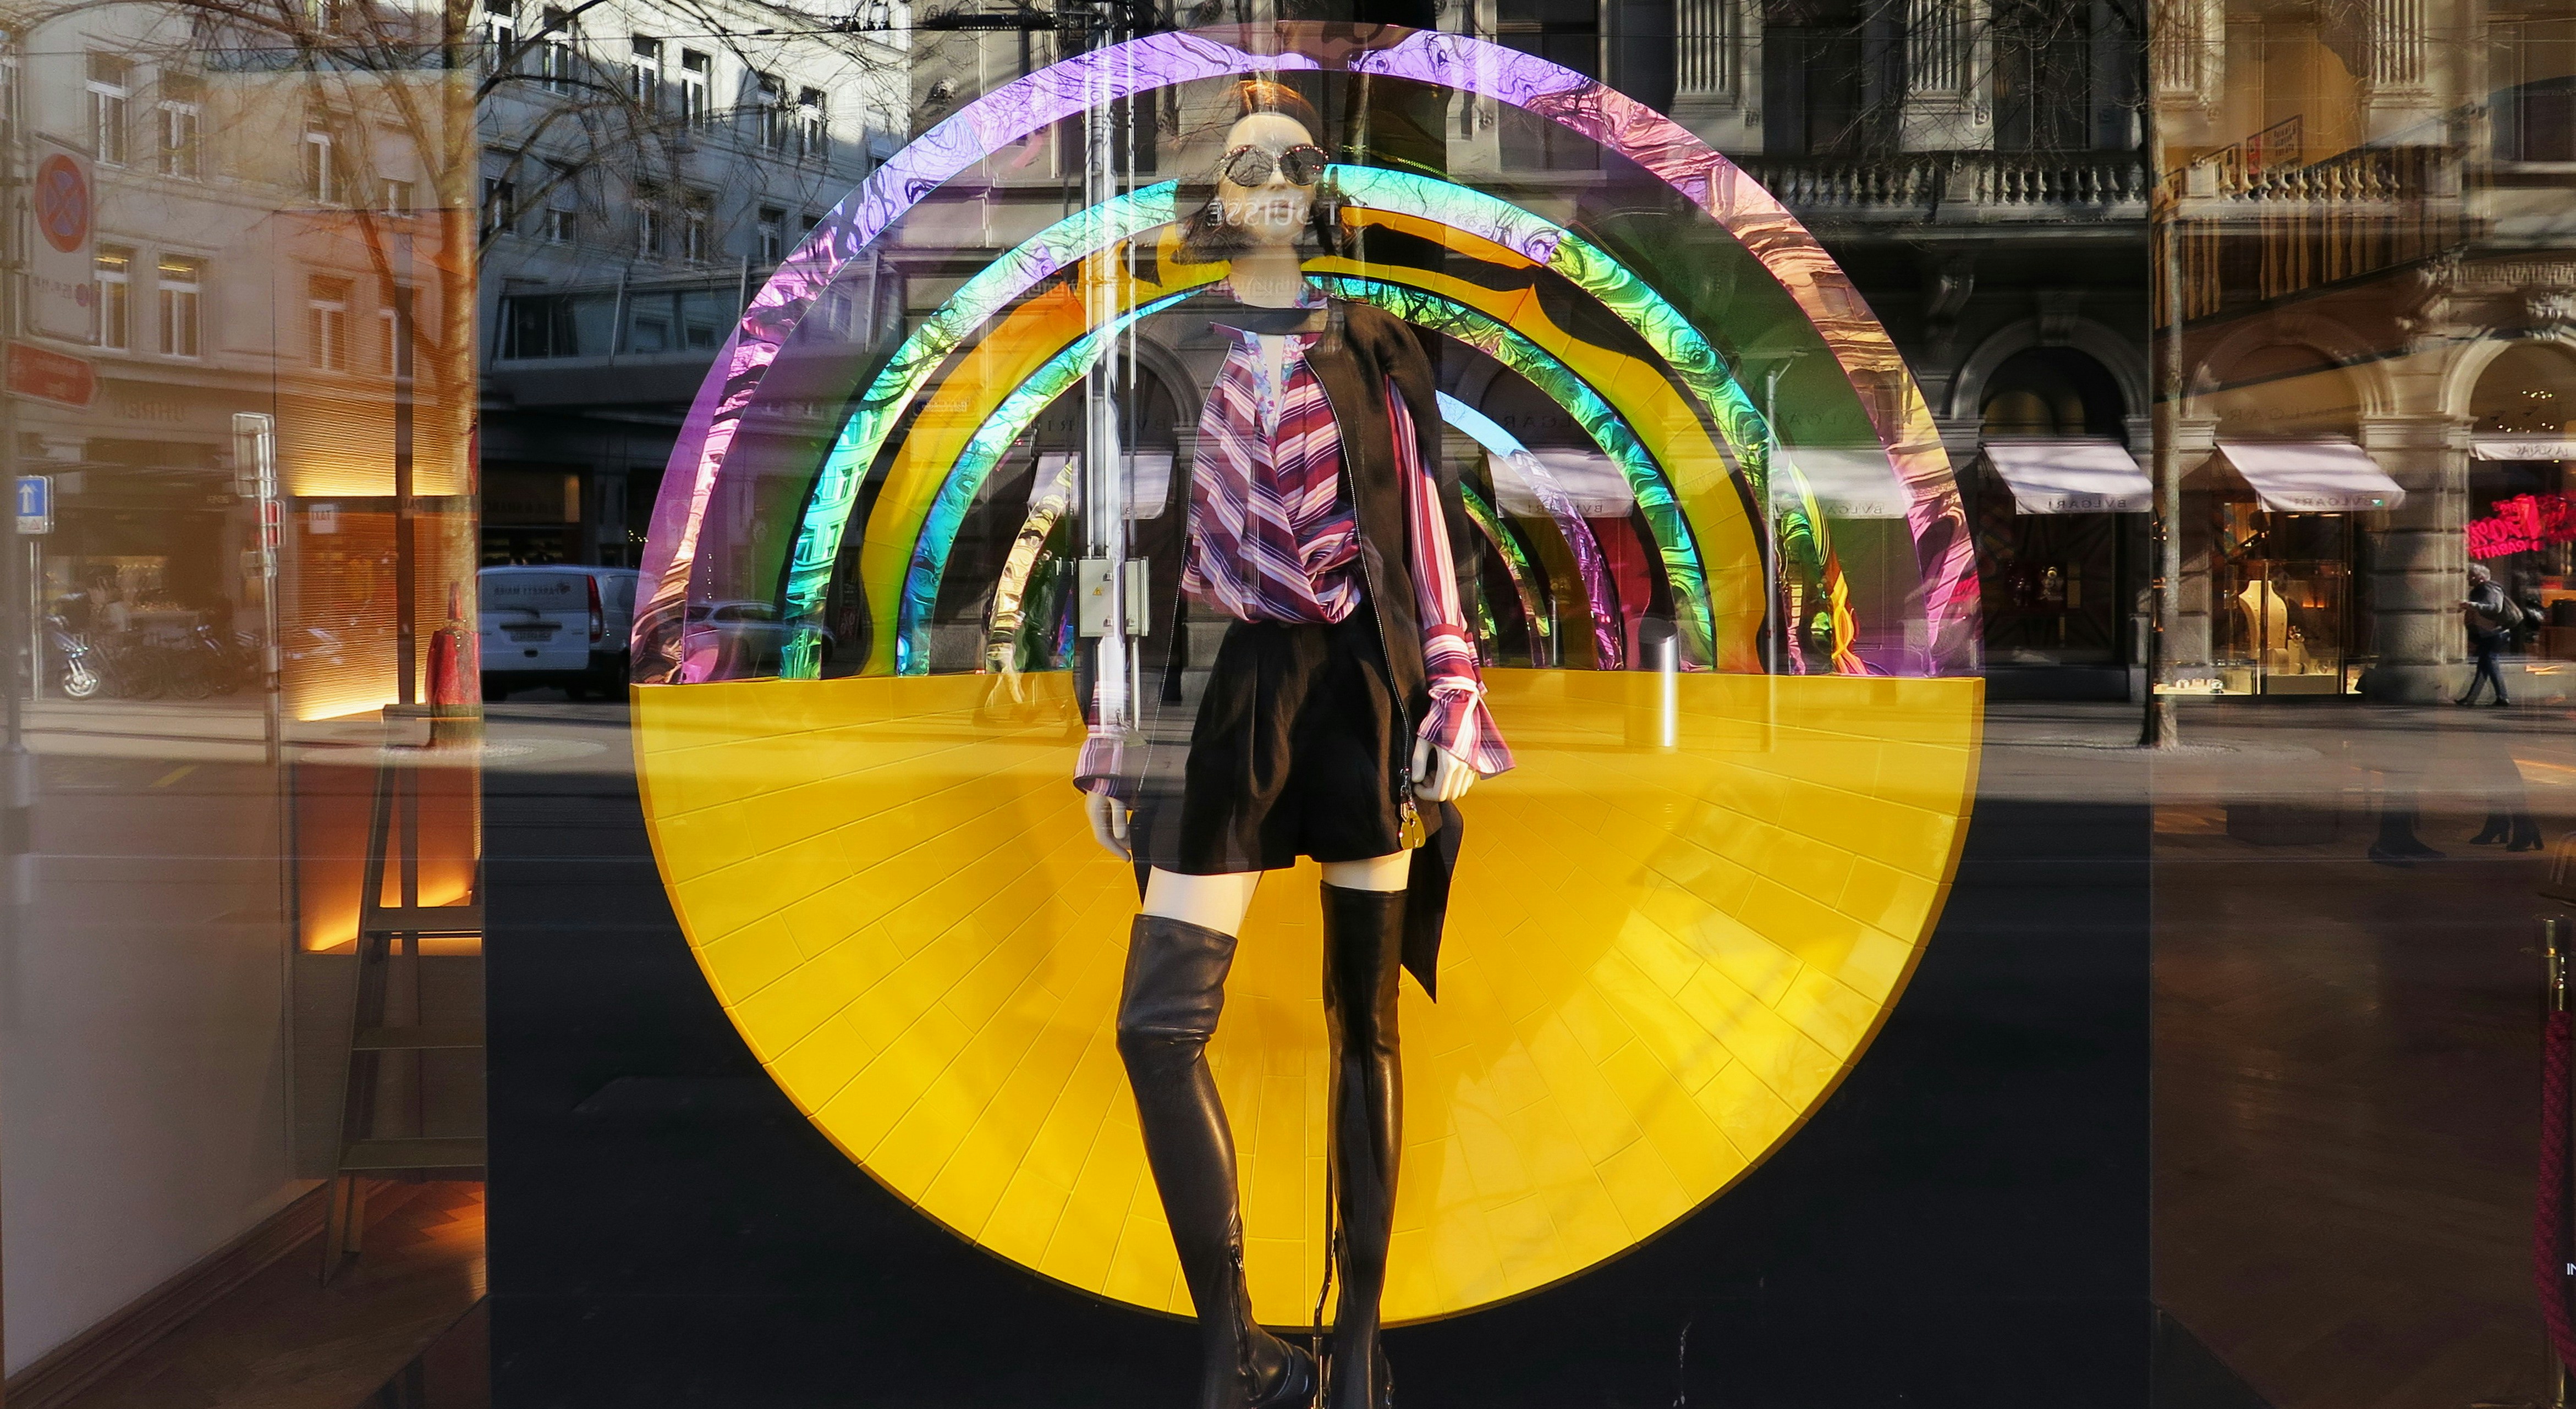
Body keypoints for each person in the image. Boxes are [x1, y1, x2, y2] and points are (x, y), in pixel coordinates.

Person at [1078, 80, 1511, 1409]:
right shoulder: (1166, 351)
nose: (1274, 175)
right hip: (1236, 682)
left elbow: (1421, 532)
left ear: (1321, 188)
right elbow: (1120, 552)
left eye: (1297, 158)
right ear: (1216, 197)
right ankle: (1232, 1339)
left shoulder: (1376, 345)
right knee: (1160, 1024)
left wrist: (1451, 691)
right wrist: (1110, 727)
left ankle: (1362, 1339)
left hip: (1365, 689)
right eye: (1247, 159)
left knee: (1364, 1025)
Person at [2458, 562, 2518, 707]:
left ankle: (2501, 697)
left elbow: (2495, 608)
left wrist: (2472, 605)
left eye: (2471, 576)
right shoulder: (2480, 589)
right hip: (2488, 633)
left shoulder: (2490, 587)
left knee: (2489, 663)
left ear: (2479, 577)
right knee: (2484, 665)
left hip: (2496, 633)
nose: (2468, 579)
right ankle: (2473, 698)